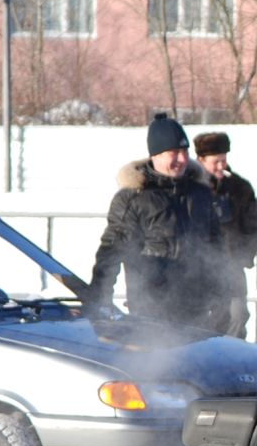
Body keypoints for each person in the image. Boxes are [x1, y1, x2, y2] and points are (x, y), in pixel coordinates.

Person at [88, 112, 227, 329]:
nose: (181, 159)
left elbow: (216, 247)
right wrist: (99, 299)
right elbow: (112, 250)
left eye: (184, 151)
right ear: (156, 155)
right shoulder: (134, 197)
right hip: (152, 308)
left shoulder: (200, 194)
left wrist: (222, 294)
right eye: (173, 152)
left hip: (199, 308)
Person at [193, 131, 257, 338]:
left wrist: (244, 254)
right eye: (216, 161)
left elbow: (253, 224)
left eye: (224, 160)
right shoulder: (191, 189)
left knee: (238, 315)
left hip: (232, 265)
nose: (222, 166)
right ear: (201, 160)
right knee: (209, 317)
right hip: (201, 268)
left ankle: (233, 358)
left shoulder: (239, 187)